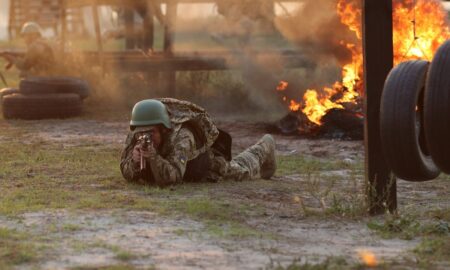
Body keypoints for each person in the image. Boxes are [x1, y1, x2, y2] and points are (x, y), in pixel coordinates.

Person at [120, 98, 276, 186]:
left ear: (164, 129)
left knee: (242, 170)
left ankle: (265, 146)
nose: (146, 136)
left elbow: (174, 177)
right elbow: (125, 171)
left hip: (205, 166)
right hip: (173, 166)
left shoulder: (183, 137)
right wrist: (134, 162)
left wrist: (153, 157)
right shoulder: (136, 133)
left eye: (151, 132)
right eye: (141, 132)